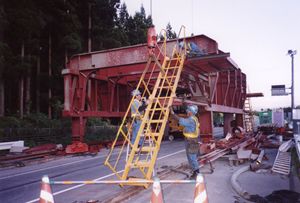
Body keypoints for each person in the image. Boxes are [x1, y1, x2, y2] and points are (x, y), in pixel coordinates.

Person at [169, 105, 200, 179]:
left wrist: (172, 113)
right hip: (191, 140)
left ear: (191, 112)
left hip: (191, 141)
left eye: (188, 111)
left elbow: (181, 121)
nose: (187, 112)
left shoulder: (191, 120)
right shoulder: (194, 118)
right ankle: (195, 171)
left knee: (192, 157)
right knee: (191, 157)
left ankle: (197, 173)